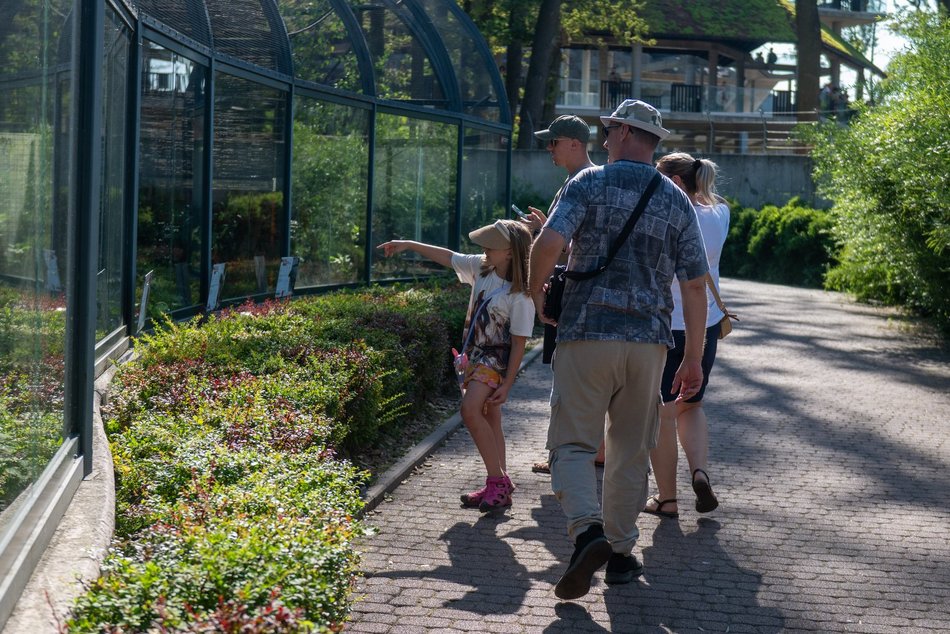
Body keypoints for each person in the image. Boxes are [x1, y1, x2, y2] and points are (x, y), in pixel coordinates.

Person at [528, 99, 709, 600]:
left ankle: (587, 532)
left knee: (571, 443)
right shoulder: (675, 198)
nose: (604, 139)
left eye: (609, 131)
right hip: (649, 344)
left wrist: (535, 290)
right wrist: (692, 357)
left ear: (627, 131)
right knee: (631, 450)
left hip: (587, 332)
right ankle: (623, 556)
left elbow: (548, 242)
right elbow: (695, 285)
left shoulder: (588, 183)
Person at [377, 220, 535, 513]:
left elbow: (518, 344)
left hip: (493, 363)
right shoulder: (481, 268)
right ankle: (499, 484)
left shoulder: (520, 297)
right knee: (490, 418)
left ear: (510, 252)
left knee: (470, 411)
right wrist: (409, 244)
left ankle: (496, 482)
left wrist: (508, 383)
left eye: (492, 245)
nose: (485, 248)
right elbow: (448, 256)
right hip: (473, 358)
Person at [642, 153, 729, 520]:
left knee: (661, 413)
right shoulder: (721, 213)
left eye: (659, 179)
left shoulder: (668, 216)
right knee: (691, 406)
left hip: (666, 325)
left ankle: (667, 499)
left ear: (675, 183)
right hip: (704, 325)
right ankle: (700, 471)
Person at [520, 114, 605, 475]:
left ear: (574, 143)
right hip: (579, 296)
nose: (548, 149)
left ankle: (561, 454)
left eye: (553, 142)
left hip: (571, 296)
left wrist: (544, 249)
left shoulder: (583, 183)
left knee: (567, 380)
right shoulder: (583, 181)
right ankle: (595, 451)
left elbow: (579, 247)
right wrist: (544, 229)